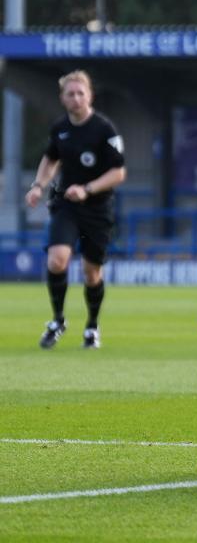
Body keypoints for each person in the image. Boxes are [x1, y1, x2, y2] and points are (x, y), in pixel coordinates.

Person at [25, 70, 126, 351]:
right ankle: (57, 320)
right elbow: (50, 158)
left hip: (98, 209)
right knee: (57, 261)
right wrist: (37, 186)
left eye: (81, 93)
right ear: (62, 98)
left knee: (92, 273)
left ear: (90, 95)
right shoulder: (60, 128)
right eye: (70, 93)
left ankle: (92, 327)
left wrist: (88, 189)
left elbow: (118, 173)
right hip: (66, 206)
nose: (76, 98)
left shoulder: (105, 129)